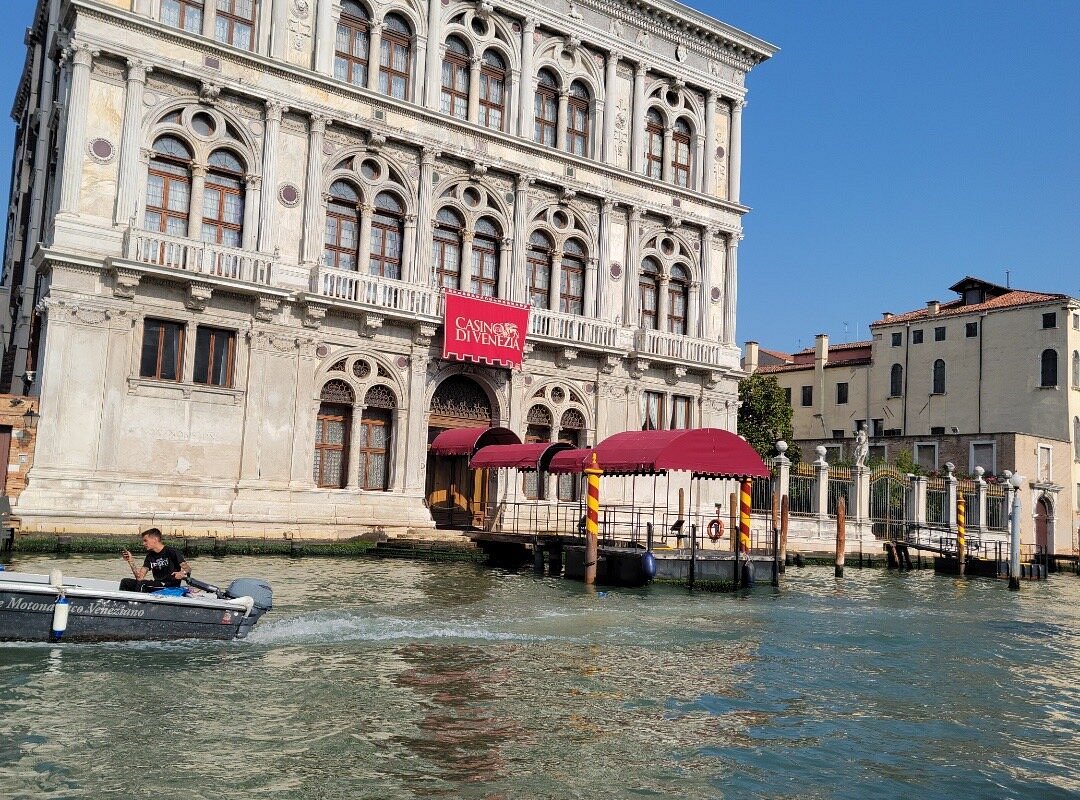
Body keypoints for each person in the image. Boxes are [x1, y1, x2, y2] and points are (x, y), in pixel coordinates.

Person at [120, 528, 190, 593]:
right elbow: (139, 577)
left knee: (142, 584)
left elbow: (188, 569)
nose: (143, 544)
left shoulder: (172, 552)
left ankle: (137, 604)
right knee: (125, 582)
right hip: (157, 584)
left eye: (145, 541)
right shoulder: (150, 556)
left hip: (169, 586)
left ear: (155, 539)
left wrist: (181, 573)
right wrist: (130, 561)